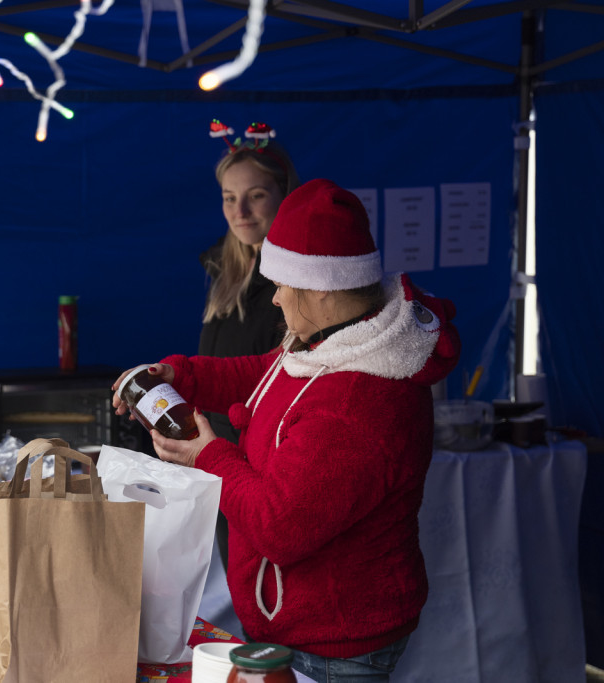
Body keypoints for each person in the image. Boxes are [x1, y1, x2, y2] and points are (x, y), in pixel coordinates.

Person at [114, 178, 461, 682]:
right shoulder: (329, 340)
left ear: (321, 286)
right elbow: (267, 371)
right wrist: (182, 376)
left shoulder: (361, 399)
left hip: (335, 645)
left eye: (281, 285)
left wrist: (208, 457)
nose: (274, 299)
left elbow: (281, 525)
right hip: (292, 627)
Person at [198, 121, 301, 571]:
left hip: (267, 468)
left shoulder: (300, 280)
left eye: (256, 195)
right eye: (228, 197)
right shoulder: (227, 274)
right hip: (220, 462)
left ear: (284, 194)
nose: (239, 210)